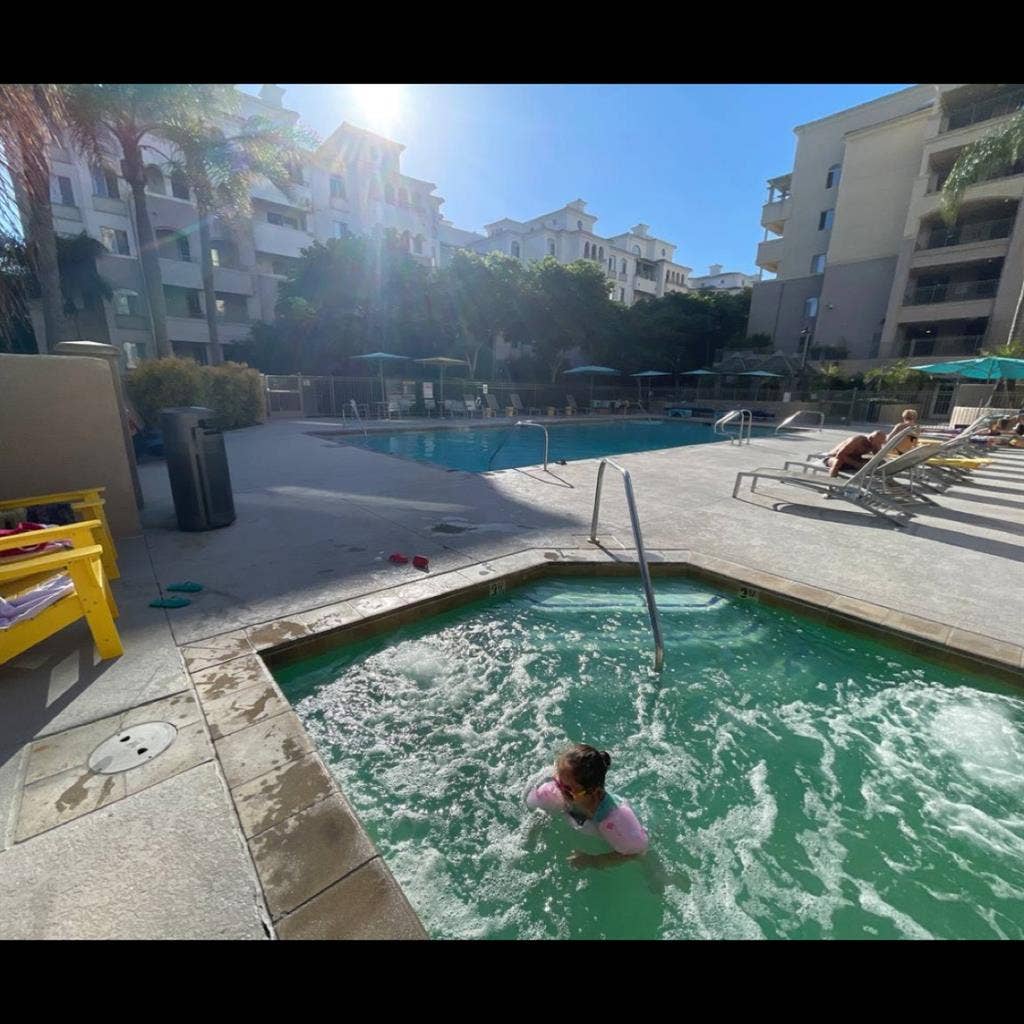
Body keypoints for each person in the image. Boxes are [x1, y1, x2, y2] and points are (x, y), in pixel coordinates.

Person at [526, 743, 649, 868]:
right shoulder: (557, 793)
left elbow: (637, 852)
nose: (560, 790)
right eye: (558, 782)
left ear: (594, 792)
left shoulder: (613, 819)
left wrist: (593, 861)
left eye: (568, 790)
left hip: (620, 834)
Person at [822, 430, 887, 477]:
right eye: (878, 443)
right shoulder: (857, 440)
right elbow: (840, 455)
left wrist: (878, 453)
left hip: (851, 461)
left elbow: (878, 457)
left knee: (880, 462)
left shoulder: (874, 444)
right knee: (838, 462)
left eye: (881, 443)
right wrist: (856, 464)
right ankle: (831, 484)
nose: (879, 445)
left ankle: (888, 483)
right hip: (833, 458)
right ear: (871, 439)